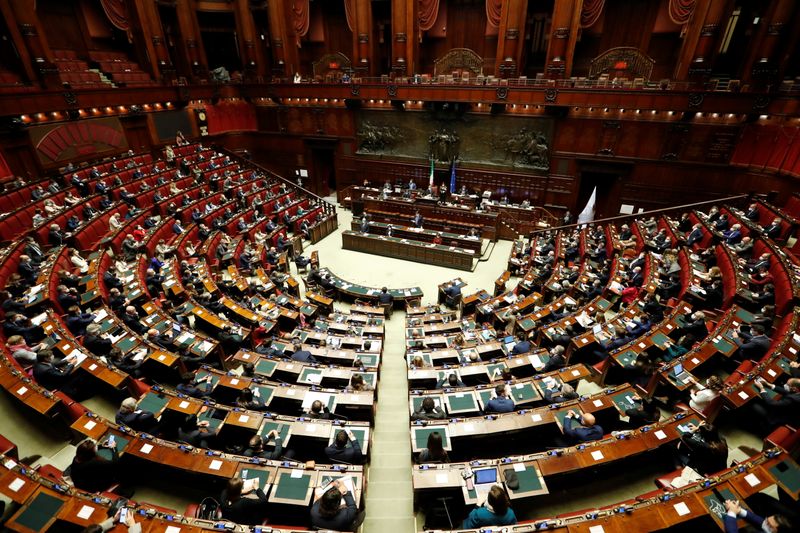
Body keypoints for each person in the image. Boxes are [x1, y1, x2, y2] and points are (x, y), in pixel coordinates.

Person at [723, 499, 790, 533]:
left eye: (769, 525)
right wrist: (739, 510)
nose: (765, 523)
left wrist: (732, 511)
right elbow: (758, 520)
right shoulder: (770, 528)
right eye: (767, 520)